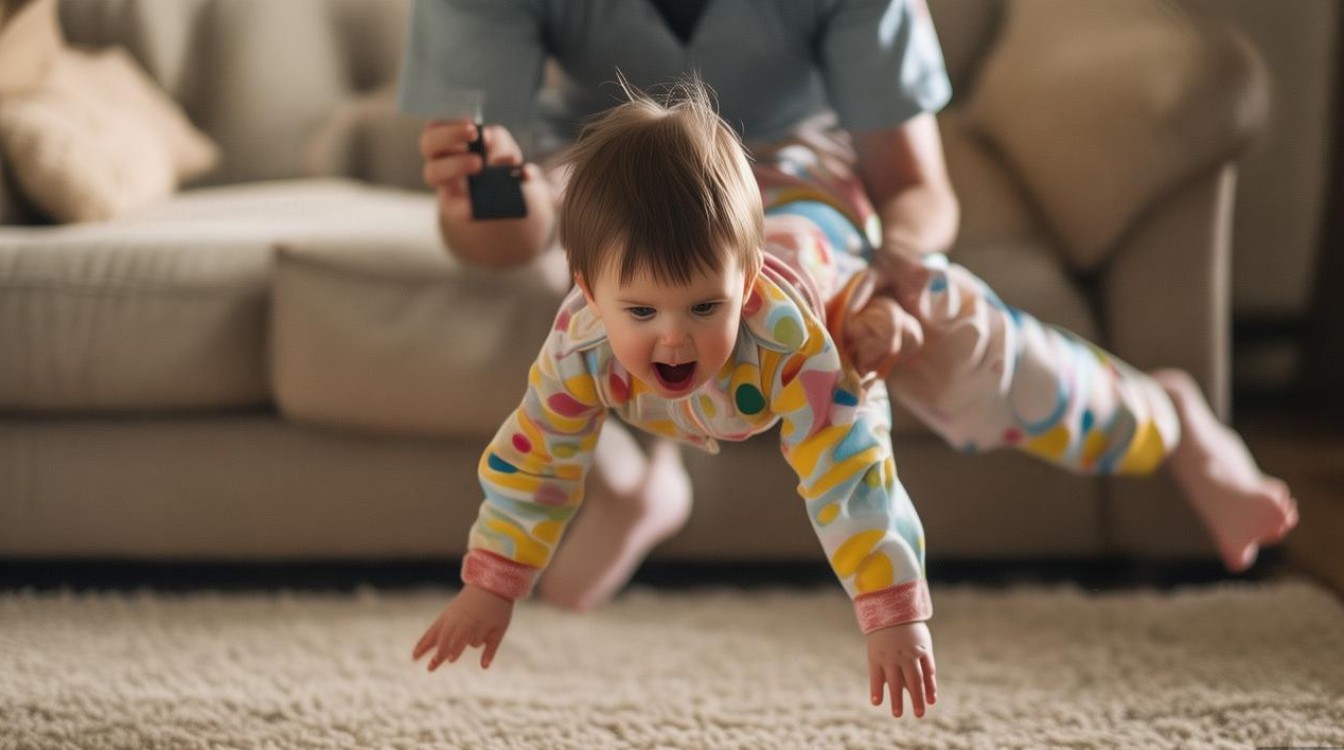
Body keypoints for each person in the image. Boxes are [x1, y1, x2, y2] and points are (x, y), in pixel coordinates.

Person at [410, 79, 1299, 719]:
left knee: (983, 365)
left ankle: (1168, 417)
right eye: (640, 312)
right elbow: (537, 457)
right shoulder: (579, 342)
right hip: (749, 201)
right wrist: (493, 585)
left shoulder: (789, 339)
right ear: (586, 290)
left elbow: (849, 469)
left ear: (746, 287)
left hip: (841, 253)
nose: (673, 340)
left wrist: (893, 612)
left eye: (705, 309)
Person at [400, 0, 962, 614]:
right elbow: (498, 241)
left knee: (771, 275)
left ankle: (651, 461)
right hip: (589, 172)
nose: (671, 339)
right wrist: (502, 198)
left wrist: (882, 276)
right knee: (551, 297)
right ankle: (635, 475)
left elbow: (915, 184)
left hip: (797, 176)